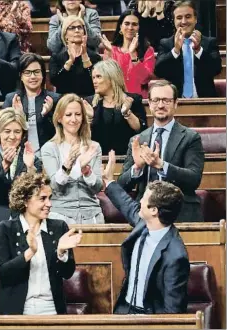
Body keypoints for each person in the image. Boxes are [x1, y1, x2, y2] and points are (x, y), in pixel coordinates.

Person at [102, 150, 190, 314]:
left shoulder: (176, 256)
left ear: (154, 210)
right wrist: (108, 182)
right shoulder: (144, 223)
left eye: (144, 198)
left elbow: (173, 312)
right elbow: (128, 205)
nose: (139, 201)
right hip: (124, 309)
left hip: (149, 317)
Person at [117, 80, 205, 222]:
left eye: (166, 100)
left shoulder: (191, 138)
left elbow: (194, 179)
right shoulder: (137, 140)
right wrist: (137, 168)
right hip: (144, 215)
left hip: (181, 213)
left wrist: (161, 165)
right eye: (156, 100)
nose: (160, 105)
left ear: (176, 103)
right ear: (150, 104)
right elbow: (121, 185)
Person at [0, 172, 82, 315]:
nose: (49, 204)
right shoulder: (6, 229)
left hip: (52, 310)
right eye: (42, 199)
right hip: (17, 311)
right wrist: (30, 252)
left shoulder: (59, 228)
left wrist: (61, 253)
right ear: (25, 201)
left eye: (50, 198)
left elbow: (67, 273)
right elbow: (3, 274)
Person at [40, 94, 103, 225]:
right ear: (59, 118)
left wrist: (86, 171)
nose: (74, 119)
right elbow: (54, 187)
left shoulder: (94, 146)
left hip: (91, 213)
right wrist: (67, 166)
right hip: (61, 214)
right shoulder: (49, 148)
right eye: (68, 115)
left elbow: (97, 187)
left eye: (78, 114)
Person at [0, 108, 42, 225]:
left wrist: (30, 168)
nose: (12, 136)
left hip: (24, 220)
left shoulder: (32, 159)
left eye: (17, 132)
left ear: (23, 134)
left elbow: (37, 192)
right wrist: (4, 165)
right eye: (7, 131)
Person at [154, 0, 221, 98]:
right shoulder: (166, 43)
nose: (184, 21)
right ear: (174, 21)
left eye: (188, 16)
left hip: (205, 102)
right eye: (179, 18)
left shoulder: (209, 42)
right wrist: (175, 50)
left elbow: (216, 69)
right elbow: (159, 71)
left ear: (196, 19)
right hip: (174, 102)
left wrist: (198, 50)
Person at [2, 53, 61, 155]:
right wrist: (19, 116)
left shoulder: (54, 99)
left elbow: (62, 133)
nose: (33, 76)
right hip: (19, 155)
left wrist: (47, 115)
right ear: (21, 76)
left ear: (43, 75)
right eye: (28, 73)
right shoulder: (11, 99)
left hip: (49, 154)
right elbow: (4, 131)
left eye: (36, 72)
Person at [85, 60, 147, 155]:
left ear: (111, 78)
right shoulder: (89, 103)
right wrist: (88, 119)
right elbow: (83, 137)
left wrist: (127, 113)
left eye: (98, 77)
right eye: (93, 77)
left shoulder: (133, 100)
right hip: (97, 158)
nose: (94, 81)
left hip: (127, 158)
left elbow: (141, 130)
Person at [101, 10, 156, 98]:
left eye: (134, 24)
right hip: (116, 99)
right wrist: (110, 53)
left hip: (139, 100)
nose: (130, 27)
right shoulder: (111, 49)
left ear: (139, 28)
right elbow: (106, 79)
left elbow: (145, 79)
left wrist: (133, 54)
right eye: (127, 23)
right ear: (120, 27)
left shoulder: (148, 50)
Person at [49, 16, 101, 97]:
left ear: (84, 33)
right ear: (65, 35)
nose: (77, 30)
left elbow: (96, 81)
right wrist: (70, 62)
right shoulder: (57, 57)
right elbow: (56, 81)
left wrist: (85, 57)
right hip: (65, 101)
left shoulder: (94, 56)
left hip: (89, 100)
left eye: (79, 27)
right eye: (72, 28)